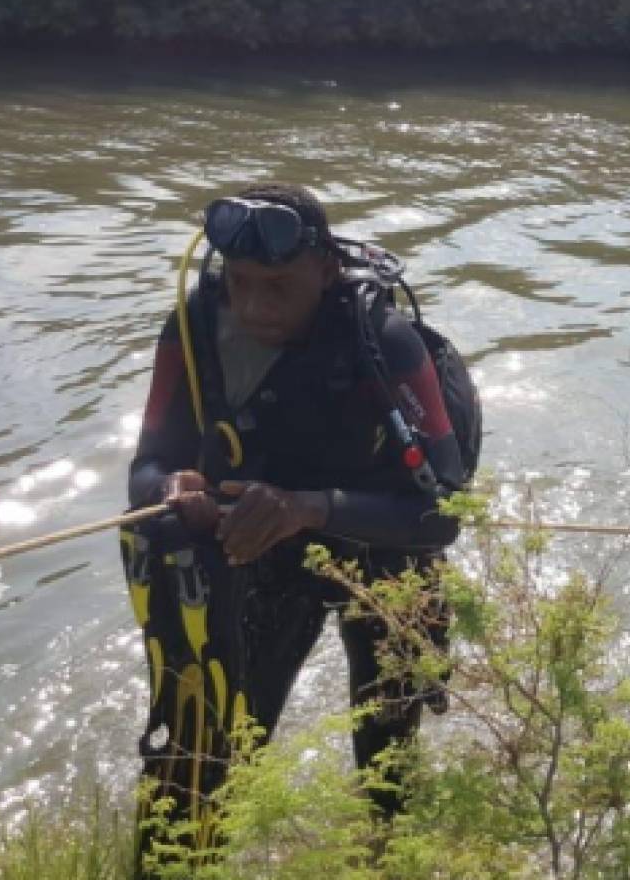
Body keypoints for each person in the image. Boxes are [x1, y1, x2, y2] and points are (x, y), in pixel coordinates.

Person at [121, 183, 478, 864]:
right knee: (216, 750)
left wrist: (309, 509)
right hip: (258, 549)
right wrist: (173, 488)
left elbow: (440, 514)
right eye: (242, 283)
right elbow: (147, 466)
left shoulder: (383, 340)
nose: (256, 306)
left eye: (279, 286)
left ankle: (384, 859)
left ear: (326, 270)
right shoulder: (196, 324)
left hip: (383, 553)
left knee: (386, 765)